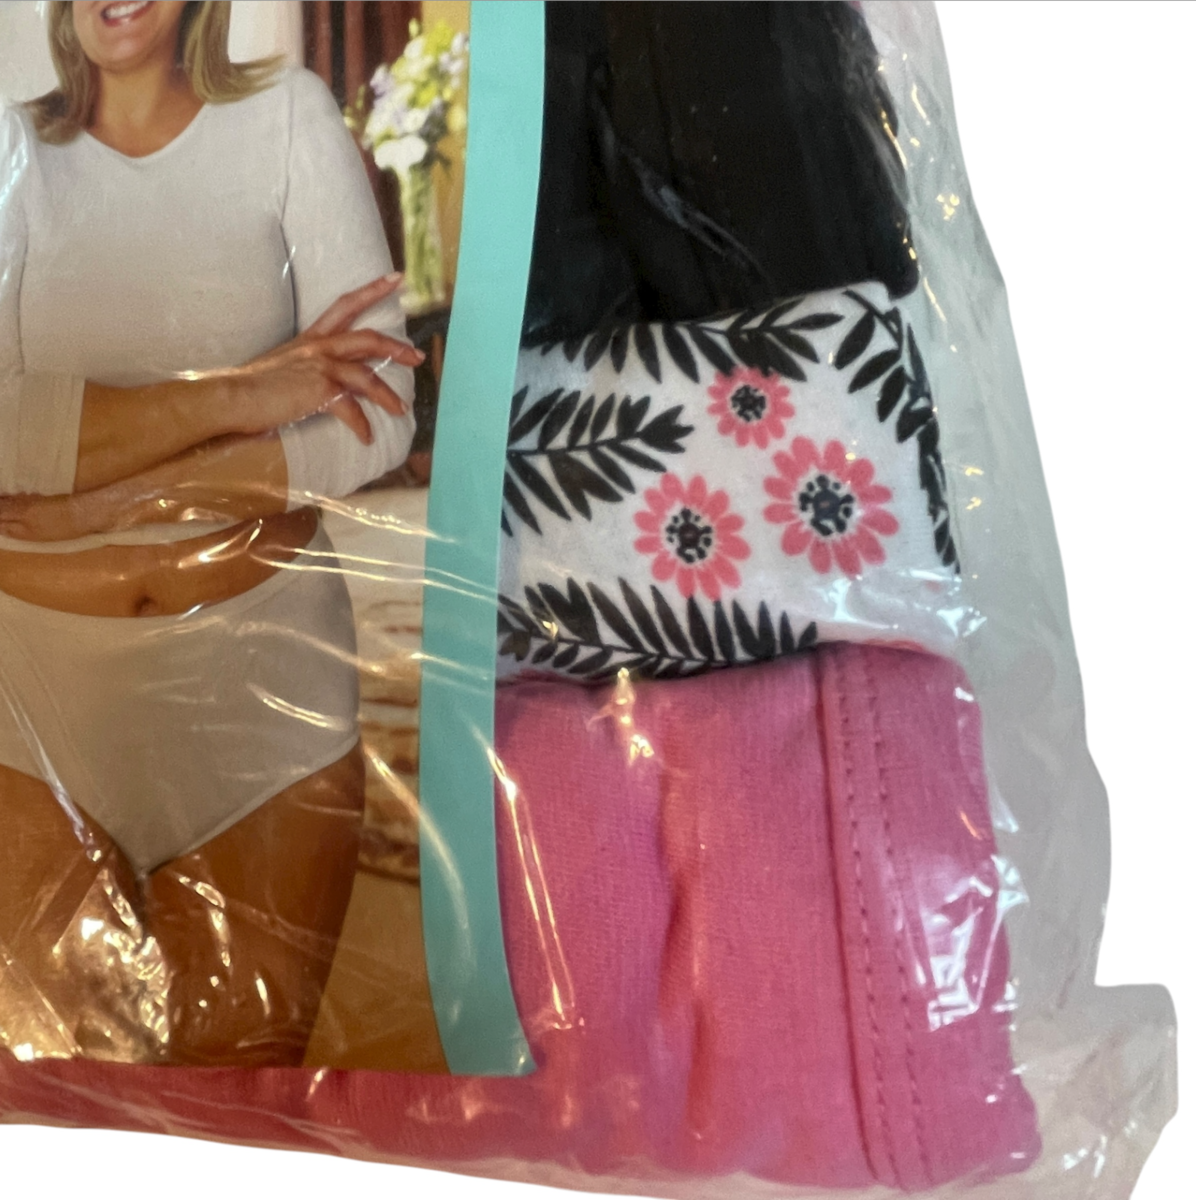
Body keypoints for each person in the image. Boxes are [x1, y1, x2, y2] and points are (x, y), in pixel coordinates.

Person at [0, 0, 423, 1066]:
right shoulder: (9, 151)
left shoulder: (289, 117)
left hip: (262, 703)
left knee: (235, 1116)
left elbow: (376, 416)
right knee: (65, 1118)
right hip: (29, 715)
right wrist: (240, 394)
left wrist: (100, 502)